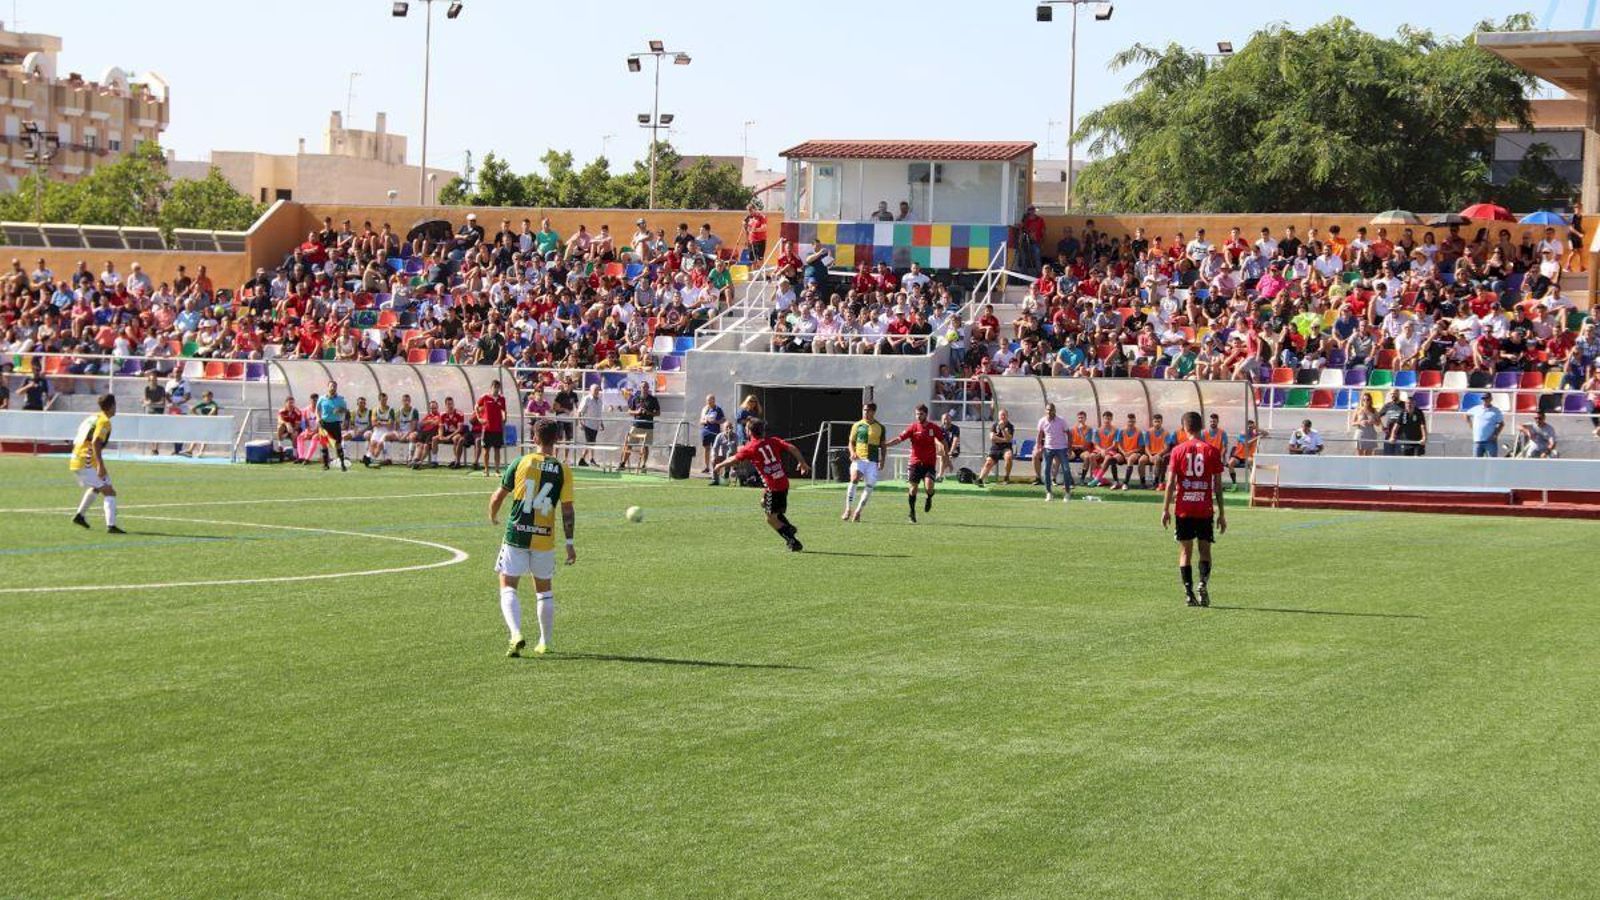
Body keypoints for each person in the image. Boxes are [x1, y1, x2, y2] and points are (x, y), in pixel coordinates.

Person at [488, 418, 576, 658]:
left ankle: (515, 634)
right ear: (557, 439)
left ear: (535, 438)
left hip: (517, 533)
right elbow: (567, 510)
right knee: (544, 590)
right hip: (544, 538)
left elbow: (498, 496)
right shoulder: (562, 469)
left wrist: (493, 515)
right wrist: (569, 544)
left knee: (508, 586)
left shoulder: (520, 462)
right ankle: (544, 642)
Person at [711, 417, 811, 551]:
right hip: (783, 483)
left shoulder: (750, 447)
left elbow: (734, 459)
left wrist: (719, 465)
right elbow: (792, 447)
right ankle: (788, 527)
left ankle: (793, 541)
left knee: (770, 519)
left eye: (746, 428)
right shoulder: (773, 441)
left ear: (749, 431)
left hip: (773, 487)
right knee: (764, 503)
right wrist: (802, 462)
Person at [1161, 411, 1226, 607]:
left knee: (1185, 552)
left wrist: (1165, 509)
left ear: (1184, 428)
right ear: (1201, 427)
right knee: (1205, 550)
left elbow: (1171, 482)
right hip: (1204, 508)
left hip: (1183, 508)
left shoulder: (1177, 451)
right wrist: (1222, 513)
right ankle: (1202, 583)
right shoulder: (1212, 451)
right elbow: (1217, 486)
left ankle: (1189, 593)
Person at [883, 404, 949, 523]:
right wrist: (886, 444)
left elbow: (944, 442)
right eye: (917, 414)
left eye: (921, 414)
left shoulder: (933, 428)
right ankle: (912, 512)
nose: (918, 416)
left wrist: (946, 456)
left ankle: (929, 497)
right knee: (913, 489)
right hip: (915, 463)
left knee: (929, 487)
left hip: (929, 464)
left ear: (926, 415)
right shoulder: (913, 427)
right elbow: (899, 439)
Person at [68, 394, 124, 534]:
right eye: (115, 405)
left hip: (78, 457)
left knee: (99, 487)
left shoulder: (93, 418)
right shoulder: (104, 421)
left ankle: (80, 516)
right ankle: (111, 526)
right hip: (86, 460)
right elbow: (95, 442)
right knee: (109, 491)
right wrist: (100, 465)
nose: (116, 408)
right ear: (111, 406)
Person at [843, 402, 886, 521]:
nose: (865, 412)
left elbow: (883, 446)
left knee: (870, 485)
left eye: (868, 410)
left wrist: (882, 460)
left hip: (872, 461)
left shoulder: (880, 427)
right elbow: (851, 442)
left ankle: (858, 512)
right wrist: (852, 452)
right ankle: (848, 509)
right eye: (864, 410)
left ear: (873, 412)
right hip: (859, 459)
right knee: (854, 478)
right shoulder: (857, 425)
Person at [618, 382, 660, 474]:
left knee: (645, 446)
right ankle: (623, 463)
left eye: (646, 387)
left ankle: (643, 465)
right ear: (640, 388)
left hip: (648, 426)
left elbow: (658, 413)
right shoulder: (635, 398)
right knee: (629, 444)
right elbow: (629, 411)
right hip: (636, 425)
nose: (644, 388)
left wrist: (649, 413)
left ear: (648, 388)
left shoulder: (653, 399)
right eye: (643, 387)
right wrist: (637, 412)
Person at [1036, 403, 1072, 502]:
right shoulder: (1042, 421)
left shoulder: (1061, 421)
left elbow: (1069, 434)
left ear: (1055, 410)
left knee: (1066, 470)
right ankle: (1049, 493)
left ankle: (1067, 493)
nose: (1049, 412)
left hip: (1062, 448)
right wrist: (1038, 446)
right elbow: (1039, 434)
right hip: (1048, 448)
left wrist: (1069, 448)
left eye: (1051, 410)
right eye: (1047, 410)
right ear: (1045, 410)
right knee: (1046, 470)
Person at [476, 380, 508, 477]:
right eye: (494, 387)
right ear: (491, 388)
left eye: (498, 387)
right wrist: (479, 418)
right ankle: (486, 470)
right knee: (486, 450)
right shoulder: (485, 397)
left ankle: (497, 470)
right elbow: (476, 407)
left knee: (497, 450)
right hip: (487, 428)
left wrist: (505, 418)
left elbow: (504, 410)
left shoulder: (502, 399)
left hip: (498, 428)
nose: (496, 389)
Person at [976, 408, 1016, 486]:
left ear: (1007, 416)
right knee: (988, 463)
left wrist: (1003, 429)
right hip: (995, 448)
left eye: (1004, 415)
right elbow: (992, 438)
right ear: (998, 416)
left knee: (1009, 457)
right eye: (1001, 415)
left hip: (1006, 448)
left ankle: (1006, 477)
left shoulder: (1010, 426)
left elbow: (1009, 439)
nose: (1003, 417)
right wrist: (1004, 439)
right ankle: (980, 479)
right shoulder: (994, 425)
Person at [316, 381, 351, 471]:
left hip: (335, 423)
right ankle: (325, 464)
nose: (333, 388)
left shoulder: (340, 399)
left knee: (338, 444)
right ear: (328, 387)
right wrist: (318, 418)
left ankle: (342, 464)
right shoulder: (322, 398)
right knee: (324, 444)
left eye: (335, 386)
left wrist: (340, 410)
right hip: (324, 424)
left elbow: (345, 410)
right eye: (331, 386)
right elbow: (317, 410)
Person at [1226, 420, 1264, 488]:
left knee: (1252, 462)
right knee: (1230, 463)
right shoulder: (1242, 434)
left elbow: (1267, 433)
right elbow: (1247, 443)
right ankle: (1234, 484)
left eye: (1251, 427)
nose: (1250, 428)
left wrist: (1258, 429)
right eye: (1248, 426)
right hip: (1238, 455)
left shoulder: (1255, 434)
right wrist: (1257, 438)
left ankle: (1254, 483)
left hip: (1248, 456)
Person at [576, 384, 604, 468]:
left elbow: (599, 413)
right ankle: (589, 459)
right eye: (595, 390)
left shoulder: (600, 400)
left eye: (598, 390)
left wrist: (601, 423)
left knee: (591, 443)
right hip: (587, 424)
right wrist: (580, 422)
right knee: (590, 443)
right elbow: (580, 411)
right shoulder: (587, 399)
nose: (597, 391)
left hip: (595, 425)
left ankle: (583, 460)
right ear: (591, 390)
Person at [1468, 393, 1504, 458]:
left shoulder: (1496, 411)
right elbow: (1466, 415)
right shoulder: (1476, 409)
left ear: (1491, 399)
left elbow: (1501, 424)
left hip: (1490, 441)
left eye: (1486, 398)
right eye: (1483, 399)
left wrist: (1495, 434)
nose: (1485, 400)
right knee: (1476, 463)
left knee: (1492, 462)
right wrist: (1471, 425)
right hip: (1478, 440)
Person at [698, 394, 726, 474]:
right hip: (705, 432)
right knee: (707, 449)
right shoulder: (704, 409)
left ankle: (715, 467)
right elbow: (701, 421)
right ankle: (707, 467)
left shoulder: (718, 409)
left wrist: (716, 422)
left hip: (715, 432)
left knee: (715, 449)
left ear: (714, 400)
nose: (709, 402)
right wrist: (705, 421)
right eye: (708, 400)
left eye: (711, 400)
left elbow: (723, 419)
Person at [141, 372, 167, 456]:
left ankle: (156, 448)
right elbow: (145, 401)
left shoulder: (161, 389)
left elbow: (162, 402)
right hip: (150, 411)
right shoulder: (147, 389)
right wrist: (147, 402)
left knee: (157, 430)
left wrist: (151, 403)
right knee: (151, 430)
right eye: (152, 380)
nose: (153, 381)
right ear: (149, 381)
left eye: (155, 380)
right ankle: (153, 448)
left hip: (159, 411)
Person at [1351, 393, 1382, 457]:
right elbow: (1352, 423)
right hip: (1360, 433)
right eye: (1364, 399)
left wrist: (1373, 422)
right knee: (1360, 457)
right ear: (1361, 401)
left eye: (1367, 399)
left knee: (1368, 457)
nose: (1366, 401)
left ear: (1370, 400)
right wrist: (1360, 422)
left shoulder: (1374, 410)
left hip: (1371, 434)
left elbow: (1378, 423)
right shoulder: (1358, 410)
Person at [709, 421, 737, 486]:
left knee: (729, 453)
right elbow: (714, 448)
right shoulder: (719, 436)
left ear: (732, 428)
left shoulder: (735, 436)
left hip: (732, 457)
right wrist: (713, 456)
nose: (728, 429)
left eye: (730, 427)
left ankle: (727, 475)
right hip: (723, 457)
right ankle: (715, 480)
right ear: (723, 428)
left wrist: (729, 438)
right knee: (714, 460)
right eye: (726, 427)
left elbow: (734, 449)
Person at [937, 412, 961, 481]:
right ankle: (948, 465)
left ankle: (940, 475)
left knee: (943, 456)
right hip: (944, 449)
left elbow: (955, 440)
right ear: (942, 420)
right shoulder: (940, 429)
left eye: (948, 419)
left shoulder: (955, 428)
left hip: (954, 449)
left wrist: (951, 451)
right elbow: (936, 439)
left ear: (951, 420)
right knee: (942, 453)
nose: (946, 421)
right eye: (944, 419)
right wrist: (940, 446)